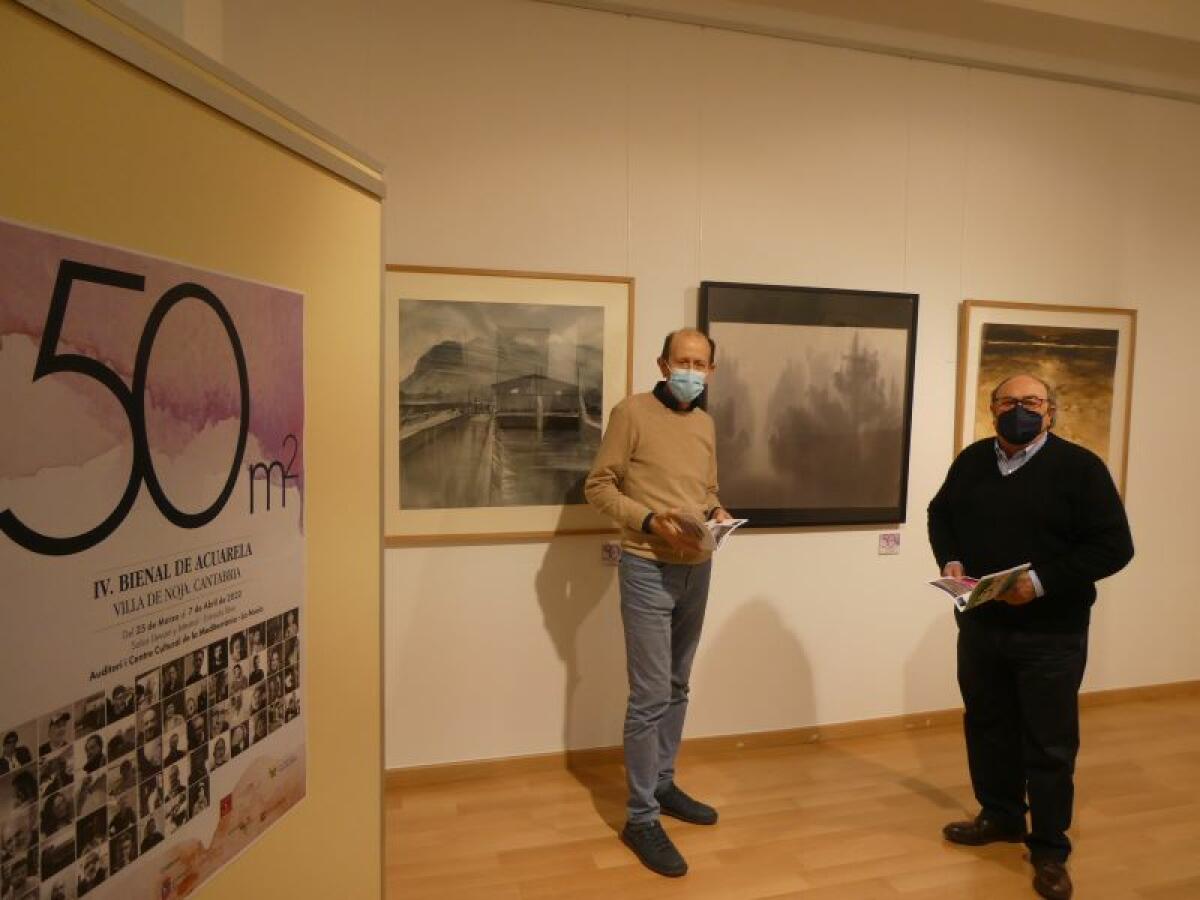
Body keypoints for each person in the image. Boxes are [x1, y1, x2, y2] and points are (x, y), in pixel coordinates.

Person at [928, 373, 1134, 900]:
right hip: (981, 624)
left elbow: (1114, 547)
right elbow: (939, 513)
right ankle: (999, 815)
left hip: (1051, 632)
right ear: (991, 408)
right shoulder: (973, 460)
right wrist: (950, 558)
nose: (1019, 409)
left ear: (1050, 411)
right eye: (1008, 401)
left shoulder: (1080, 469)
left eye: (1031, 401)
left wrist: (1039, 583)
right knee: (989, 726)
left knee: (1048, 741)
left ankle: (1048, 848)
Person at [584, 328, 729, 878]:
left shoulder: (705, 422)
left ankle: (663, 785)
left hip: (699, 568)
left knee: (676, 685)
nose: (691, 370)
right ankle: (641, 817)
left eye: (701, 363)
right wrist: (649, 521)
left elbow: (706, 490)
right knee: (648, 696)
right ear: (663, 363)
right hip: (645, 565)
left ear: (711, 370)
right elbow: (598, 486)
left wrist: (716, 513)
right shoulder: (632, 413)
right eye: (683, 360)